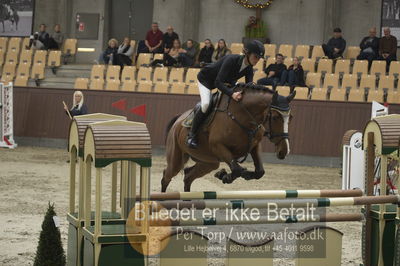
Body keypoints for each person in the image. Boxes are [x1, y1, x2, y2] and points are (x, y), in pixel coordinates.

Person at [186, 40, 265, 149]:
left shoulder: (249, 68)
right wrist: (232, 94)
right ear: (247, 53)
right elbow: (217, 83)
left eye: (259, 58)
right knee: (206, 104)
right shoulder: (231, 59)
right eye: (255, 56)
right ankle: (192, 135)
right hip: (206, 80)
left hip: (225, 82)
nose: (257, 60)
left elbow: (249, 86)